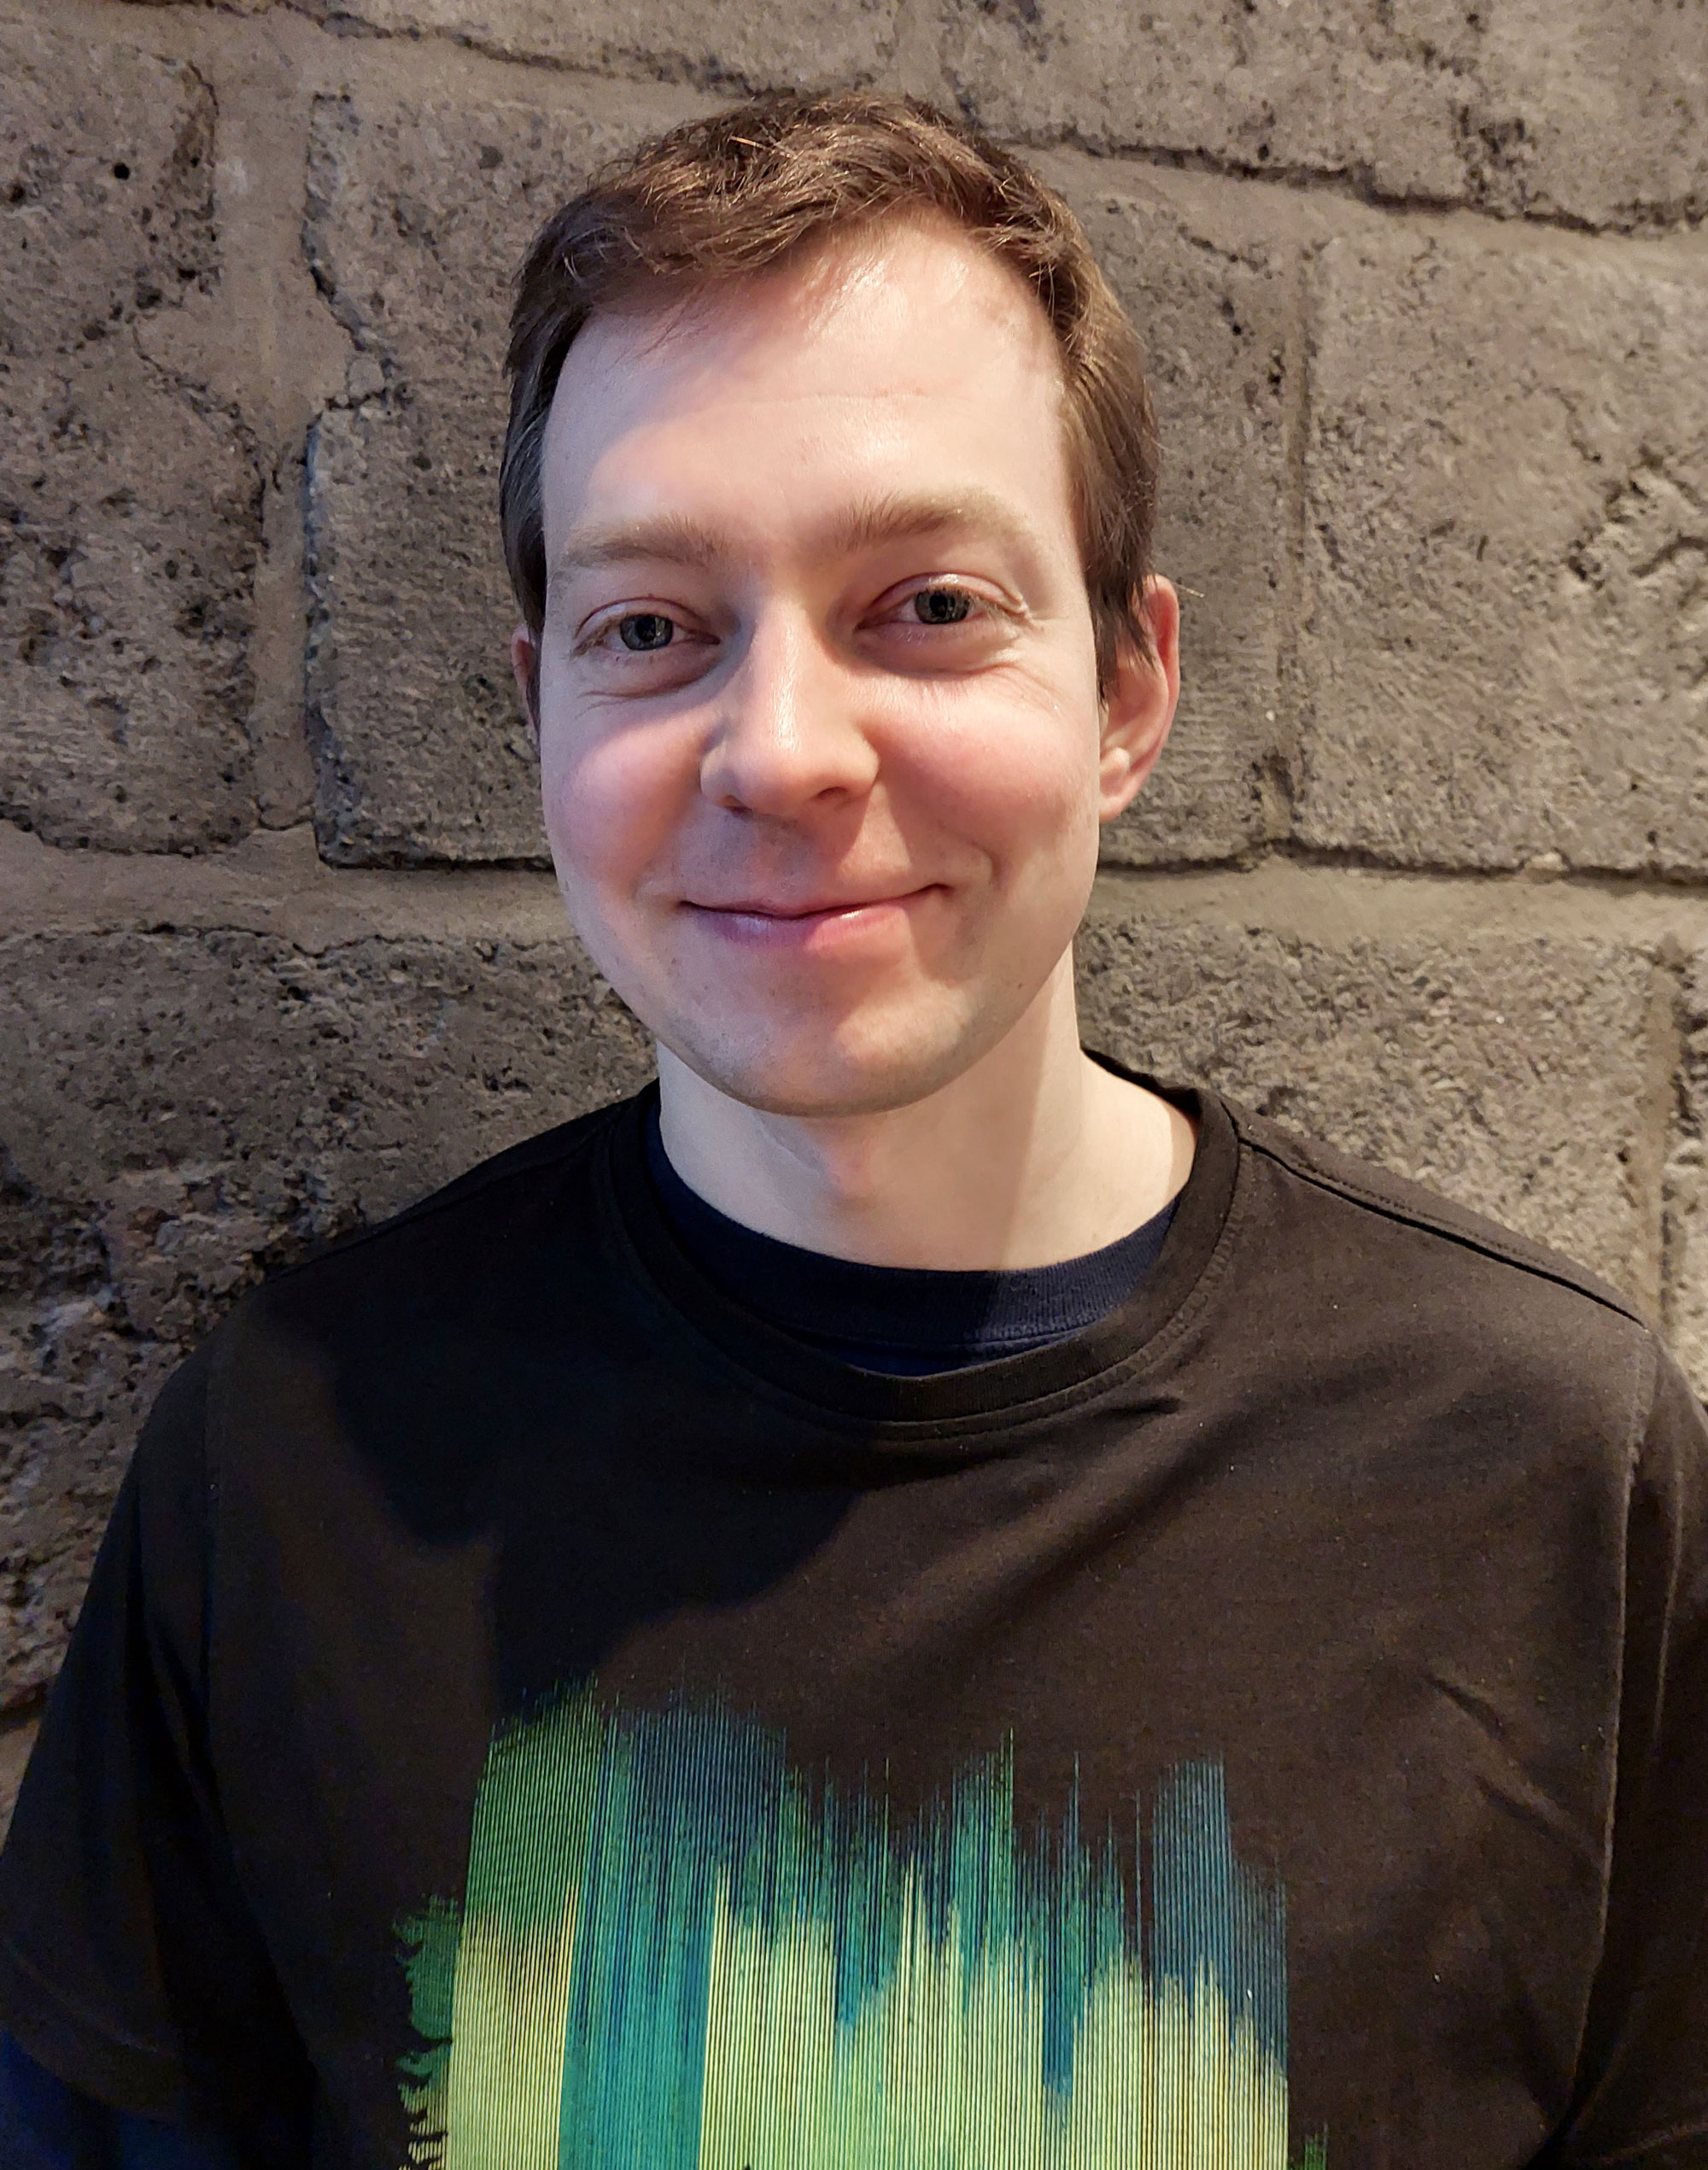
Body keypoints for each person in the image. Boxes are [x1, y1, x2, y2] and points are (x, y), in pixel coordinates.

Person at [0, 89, 1704, 2170]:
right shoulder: (282, 1471)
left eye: (926, 606)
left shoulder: (1543, 1465)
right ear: (538, 702)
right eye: (650, 627)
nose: (782, 750)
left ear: (1127, 698)